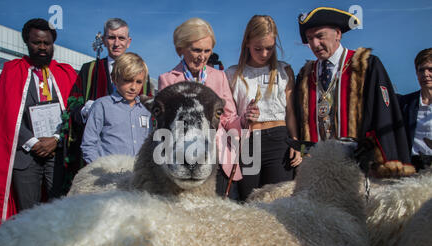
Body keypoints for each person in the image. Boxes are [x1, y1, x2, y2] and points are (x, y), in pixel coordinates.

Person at [0, 18, 77, 235]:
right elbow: (6, 115)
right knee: (28, 216)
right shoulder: (12, 71)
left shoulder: (66, 73)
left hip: (57, 155)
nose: (42, 47)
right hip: (26, 157)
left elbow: (71, 114)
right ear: (27, 42)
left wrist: (56, 139)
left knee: (59, 210)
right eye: (37, 43)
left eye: (47, 43)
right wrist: (33, 142)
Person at [295, 7, 414, 177]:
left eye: (320, 36)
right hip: (318, 165)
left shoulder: (365, 66)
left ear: (338, 33)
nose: (314, 44)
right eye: (309, 39)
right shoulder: (306, 75)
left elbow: (384, 115)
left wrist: (379, 158)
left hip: (358, 165)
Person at [64, 18, 153, 189]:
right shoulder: (89, 70)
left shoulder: (141, 72)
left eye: (121, 38)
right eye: (112, 38)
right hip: (102, 167)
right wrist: (84, 110)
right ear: (104, 40)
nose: (116, 43)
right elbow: (72, 106)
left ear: (129, 41)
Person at [158, 18, 240, 200]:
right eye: (196, 50)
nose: (202, 56)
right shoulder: (168, 80)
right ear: (181, 48)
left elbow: (228, 118)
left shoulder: (219, 77)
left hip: (218, 160)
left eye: (207, 51)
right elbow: (164, 125)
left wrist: (244, 121)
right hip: (182, 160)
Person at [224, 15, 302, 201]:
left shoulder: (285, 70)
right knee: (250, 201)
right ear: (247, 44)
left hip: (279, 141)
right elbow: (229, 115)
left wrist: (296, 142)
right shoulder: (233, 74)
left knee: (279, 202)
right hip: (249, 143)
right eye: (258, 48)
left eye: (269, 48)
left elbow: (291, 112)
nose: (264, 54)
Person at [81, 52, 152, 163]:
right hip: (109, 175)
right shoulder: (102, 105)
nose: (133, 87)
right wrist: (100, 171)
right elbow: (89, 144)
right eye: (127, 80)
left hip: (138, 176)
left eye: (138, 82)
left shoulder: (146, 110)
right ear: (114, 79)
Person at [398, 48, 432, 172]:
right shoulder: (405, 103)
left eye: (430, 69)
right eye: (421, 70)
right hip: (412, 169)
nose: (425, 74)